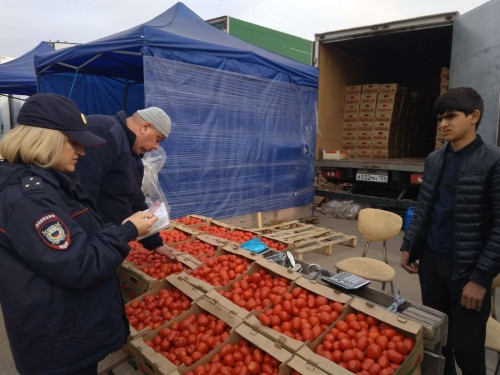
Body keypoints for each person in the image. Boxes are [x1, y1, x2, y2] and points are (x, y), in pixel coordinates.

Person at [0, 93, 158, 375]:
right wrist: (127, 231)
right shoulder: (30, 198)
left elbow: (77, 238)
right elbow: (79, 263)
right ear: (46, 140)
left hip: (66, 330)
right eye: (74, 142)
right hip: (56, 344)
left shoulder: (52, 182)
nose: (82, 152)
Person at [400, 87, 500, 375]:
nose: (443, 124)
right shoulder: (434, 160)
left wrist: (480, 279)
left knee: (467, 350)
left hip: (467, 271)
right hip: (432, 264)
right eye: (440, 118)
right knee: (438, 342)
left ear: (474, 117)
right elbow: (423, 209)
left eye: (451, 116)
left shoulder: (493, 161)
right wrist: (409, 245)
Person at [75, 106, 177, 260]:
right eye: (158, 139)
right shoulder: (105, 132)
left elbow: (136, 200)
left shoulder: (132, 153)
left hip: (109, 239)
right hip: (90, 243)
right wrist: (93, 246)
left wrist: (155, 243)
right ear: (145, 127)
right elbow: (82, 193)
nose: (156, 147)